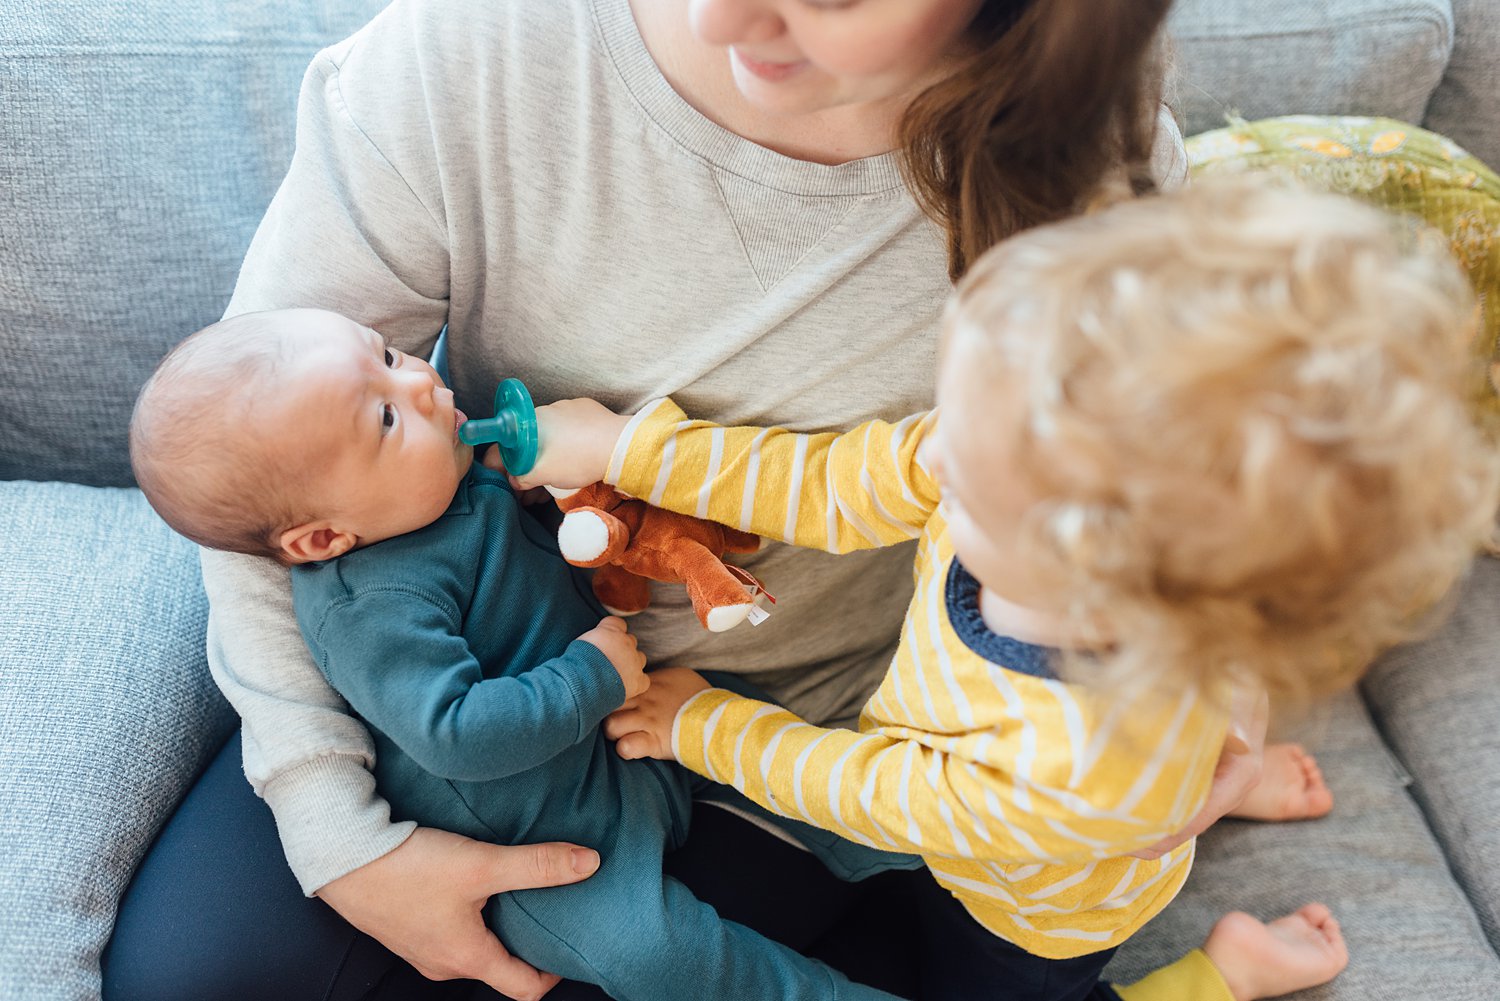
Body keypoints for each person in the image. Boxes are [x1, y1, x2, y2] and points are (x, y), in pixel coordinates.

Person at [98, 1, 1270, 999]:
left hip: (786, 739)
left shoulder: (1083, 164)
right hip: (535, 708)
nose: (718, 22)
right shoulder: (464, 53)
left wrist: (1225, 671)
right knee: (195, 970)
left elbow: (1163, 463)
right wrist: (334, 829)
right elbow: (261, 487)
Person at [513, 180, 1500, 1001]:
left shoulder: (1075, 763)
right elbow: (832, 483)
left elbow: (873, 792)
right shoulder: (1020, 471)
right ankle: (1227, 779)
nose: (933, 449)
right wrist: (631, 448)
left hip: (1033, 914)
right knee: (1188, 767)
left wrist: (699, 727)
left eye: (965, 454)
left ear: (1090, 559)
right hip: (1053, 815)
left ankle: (1221, 973)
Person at [128, 306, 928, 1001]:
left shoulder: (433, 481)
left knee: (760, 744)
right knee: (655, 956)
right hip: (540, 841)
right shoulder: (369, 608)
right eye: (383, 419)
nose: (421, 384)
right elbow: (459, 733)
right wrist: (591, 675)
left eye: (389, 354)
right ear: (325, 537)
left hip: (619, 746)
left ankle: (910, 840)